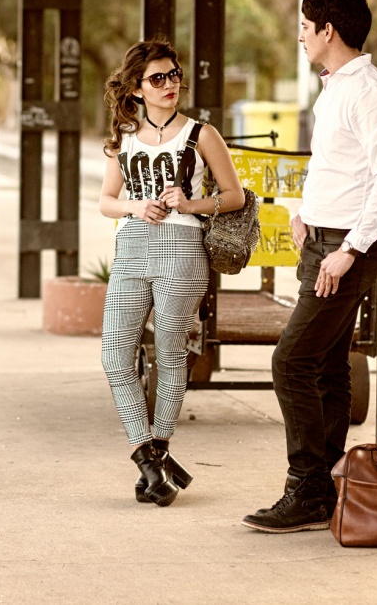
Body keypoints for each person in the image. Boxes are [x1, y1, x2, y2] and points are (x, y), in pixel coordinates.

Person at [242, 0, 377, 533]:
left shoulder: (370, 92)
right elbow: (339, 167)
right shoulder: (336, 86)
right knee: (328, 369)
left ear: (328, 30)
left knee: (290, 361)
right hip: (321, 238)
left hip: (346, 247)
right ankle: (328, 486)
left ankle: (306, 487)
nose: (300, 36)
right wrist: (303, 210)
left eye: (304, 27)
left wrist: (348, 251)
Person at [98, 38, 245, 506]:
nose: (169, 85)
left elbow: (235, 196)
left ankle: (159, 452)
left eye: (174, 76)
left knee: (170, 355)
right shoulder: (122, 138)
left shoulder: (202, 134)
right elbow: (105, 203)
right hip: (132, 247)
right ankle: (148, 459)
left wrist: (192, 202)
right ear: (137, 89)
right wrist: (135, 206)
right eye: (157, 79)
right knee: (115, 355)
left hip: (182, 249)